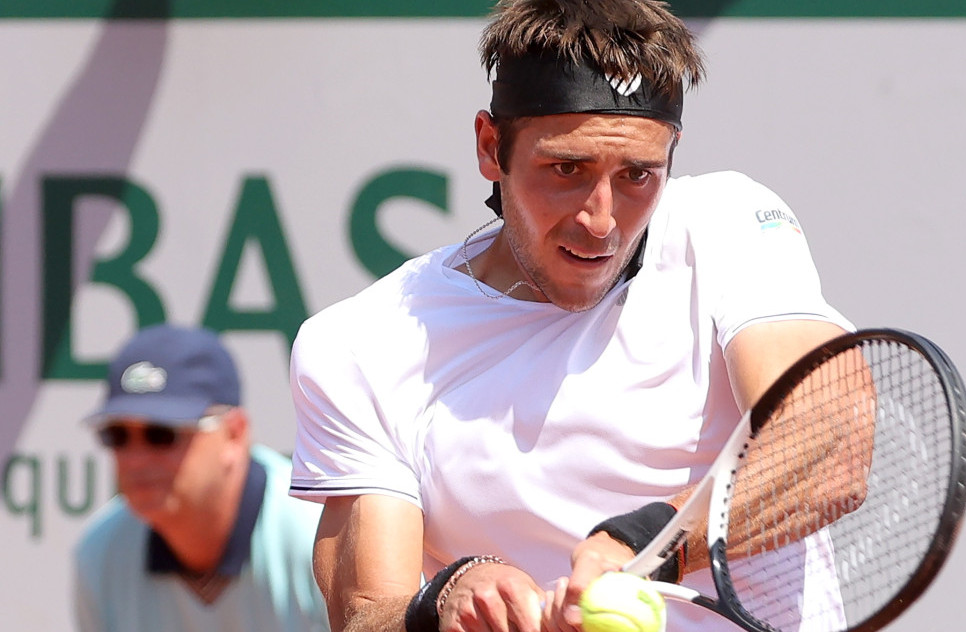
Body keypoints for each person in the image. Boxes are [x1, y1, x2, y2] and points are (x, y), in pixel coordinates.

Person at [288, 1, 861, 631]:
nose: (602, 220)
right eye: (566, 169)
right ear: (490, 147)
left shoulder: (728, 224)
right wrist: (444, 602)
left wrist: (645, 545)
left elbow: (828, 445)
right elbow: (365, 613)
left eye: (639, 174)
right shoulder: (360, 343)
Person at [73, 324, 328, 632]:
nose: (135, 459)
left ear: (234, 435)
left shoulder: (320, 535)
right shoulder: (100, 553)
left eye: (162, 433)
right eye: (118, 435)